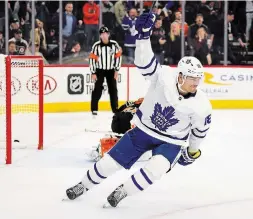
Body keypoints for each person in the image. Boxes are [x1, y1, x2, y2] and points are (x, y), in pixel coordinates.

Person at [65, 13, 212, 208]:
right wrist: (143, 38)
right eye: (192, 78)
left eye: (198, 79)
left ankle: (122, 191)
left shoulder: (202, 104)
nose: (196, 82)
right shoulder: (163, 76)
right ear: (180, 76)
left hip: (172, 141)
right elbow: (144, 63)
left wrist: (192, 151)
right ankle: (82, 186)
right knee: (109, 163)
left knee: (156, 168)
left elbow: (199, 132)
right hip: (143, 131)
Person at [87, 98, 144, 162]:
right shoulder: (144, 108)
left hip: (114, 125)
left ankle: (100, 149)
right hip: (126, 127)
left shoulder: (130, 103)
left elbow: (117, 112)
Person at [89, 26, 122, 115]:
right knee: (97, 90)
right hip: (100, 70)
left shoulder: (114, 44)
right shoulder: (96, 46)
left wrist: (116, 70)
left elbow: (118, 57)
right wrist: (93, 72)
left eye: (105, 34)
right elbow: (92, 59)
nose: (104, 36)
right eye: (102, 34)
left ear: (108, 34)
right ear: (100, 36)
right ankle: (94, 109)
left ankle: (115, 109)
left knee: (113, 90)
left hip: (111, 70)